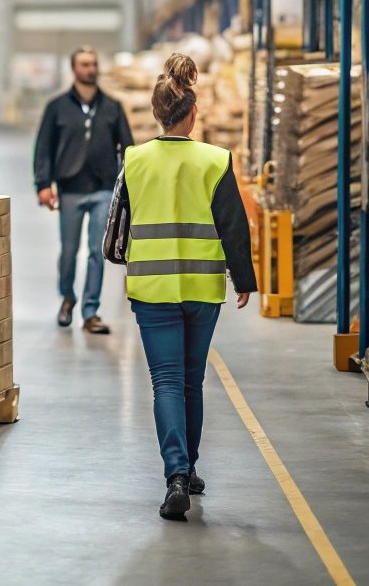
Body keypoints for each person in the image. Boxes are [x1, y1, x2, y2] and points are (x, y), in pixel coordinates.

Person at [103, 53, 257, 521]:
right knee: (192, 380)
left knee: (165, 382)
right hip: (202, 288)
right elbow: (233, 225)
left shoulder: (134, 160)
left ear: (156, 113)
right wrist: (244, 280)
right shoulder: (215, 160)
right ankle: (188, 470)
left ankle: (176, 475)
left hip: (151, 288)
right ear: (192, 113)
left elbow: (117, 224)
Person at [34, 46, 134, 333]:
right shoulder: (57, 107)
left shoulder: (112, 107)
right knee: (68, 251)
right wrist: (43, 184)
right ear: (74, 69)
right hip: (70, 190)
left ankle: (91, 312)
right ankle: (67, 298)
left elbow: (127, 148)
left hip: (103, 189)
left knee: (95, 251)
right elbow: (44, 149)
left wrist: (127, 186)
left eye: (93, 63)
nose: (90, 69)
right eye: (84, 64)